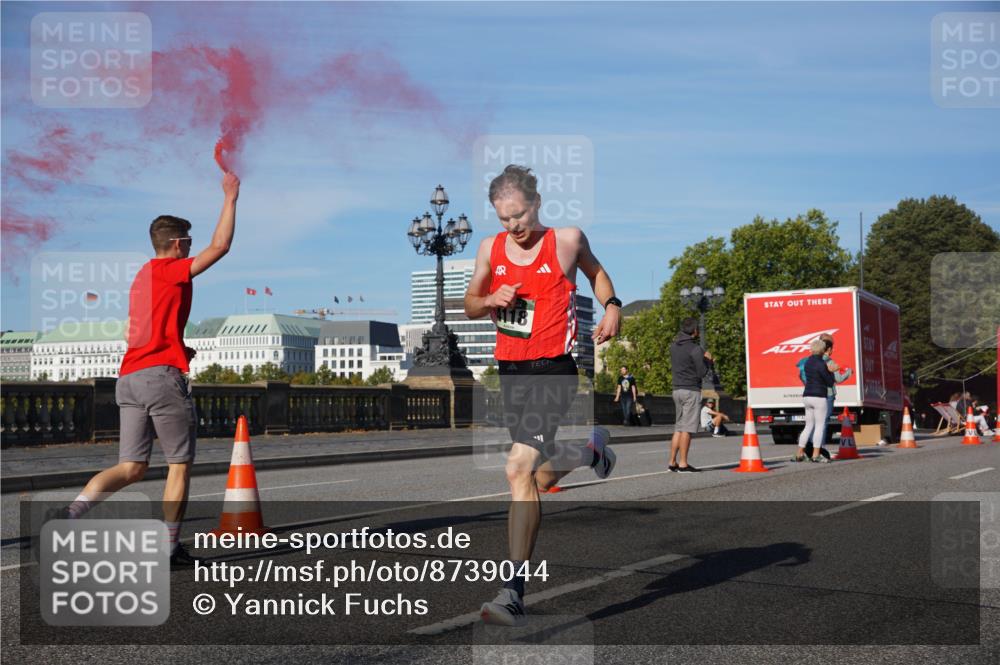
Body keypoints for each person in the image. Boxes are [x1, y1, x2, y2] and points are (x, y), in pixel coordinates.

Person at [45, 172, 241, 568]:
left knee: (131, 467)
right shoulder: (171, 269)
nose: (191, 246)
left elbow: (137, 329)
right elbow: (220, 246)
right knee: (179, 467)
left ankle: (69, 518)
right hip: (160, 380)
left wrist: (178, 345)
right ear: (175, 243)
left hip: (129, 379)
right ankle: (169, 550)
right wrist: (231, 197)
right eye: (187, 240)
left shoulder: (142, 277)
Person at [464, 164, 620, 626]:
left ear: (536, 203)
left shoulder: (567, 240)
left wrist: (612, 306)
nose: (513, 226)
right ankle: (589, 449)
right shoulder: (490, 248)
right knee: (537, 479)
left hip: (555, 369)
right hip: (510, 373)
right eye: (503, 218)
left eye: (519, 215)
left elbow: (599, 274)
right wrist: (491, 300)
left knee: (516, 468)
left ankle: (512, 591)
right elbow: (470, 303)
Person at [669, 317, 711, 472]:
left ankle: (672, 462)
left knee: (678, 428)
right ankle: (683, 464)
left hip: (676, 390)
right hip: (690, 390)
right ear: (694, 331)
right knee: (687, 428)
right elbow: (701, 372)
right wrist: (708, 361)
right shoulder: (696, 349)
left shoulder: (673, 346)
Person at [793, 339, 836, 463]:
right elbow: (829, 382)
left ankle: (799, 453)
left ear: (812, 349)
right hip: (819, 397)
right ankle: (816, 455)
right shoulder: (821, 363)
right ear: (823, 350)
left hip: (807, 396)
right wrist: (831, 372)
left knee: (808, 426)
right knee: (819, 426)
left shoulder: (808, 362)